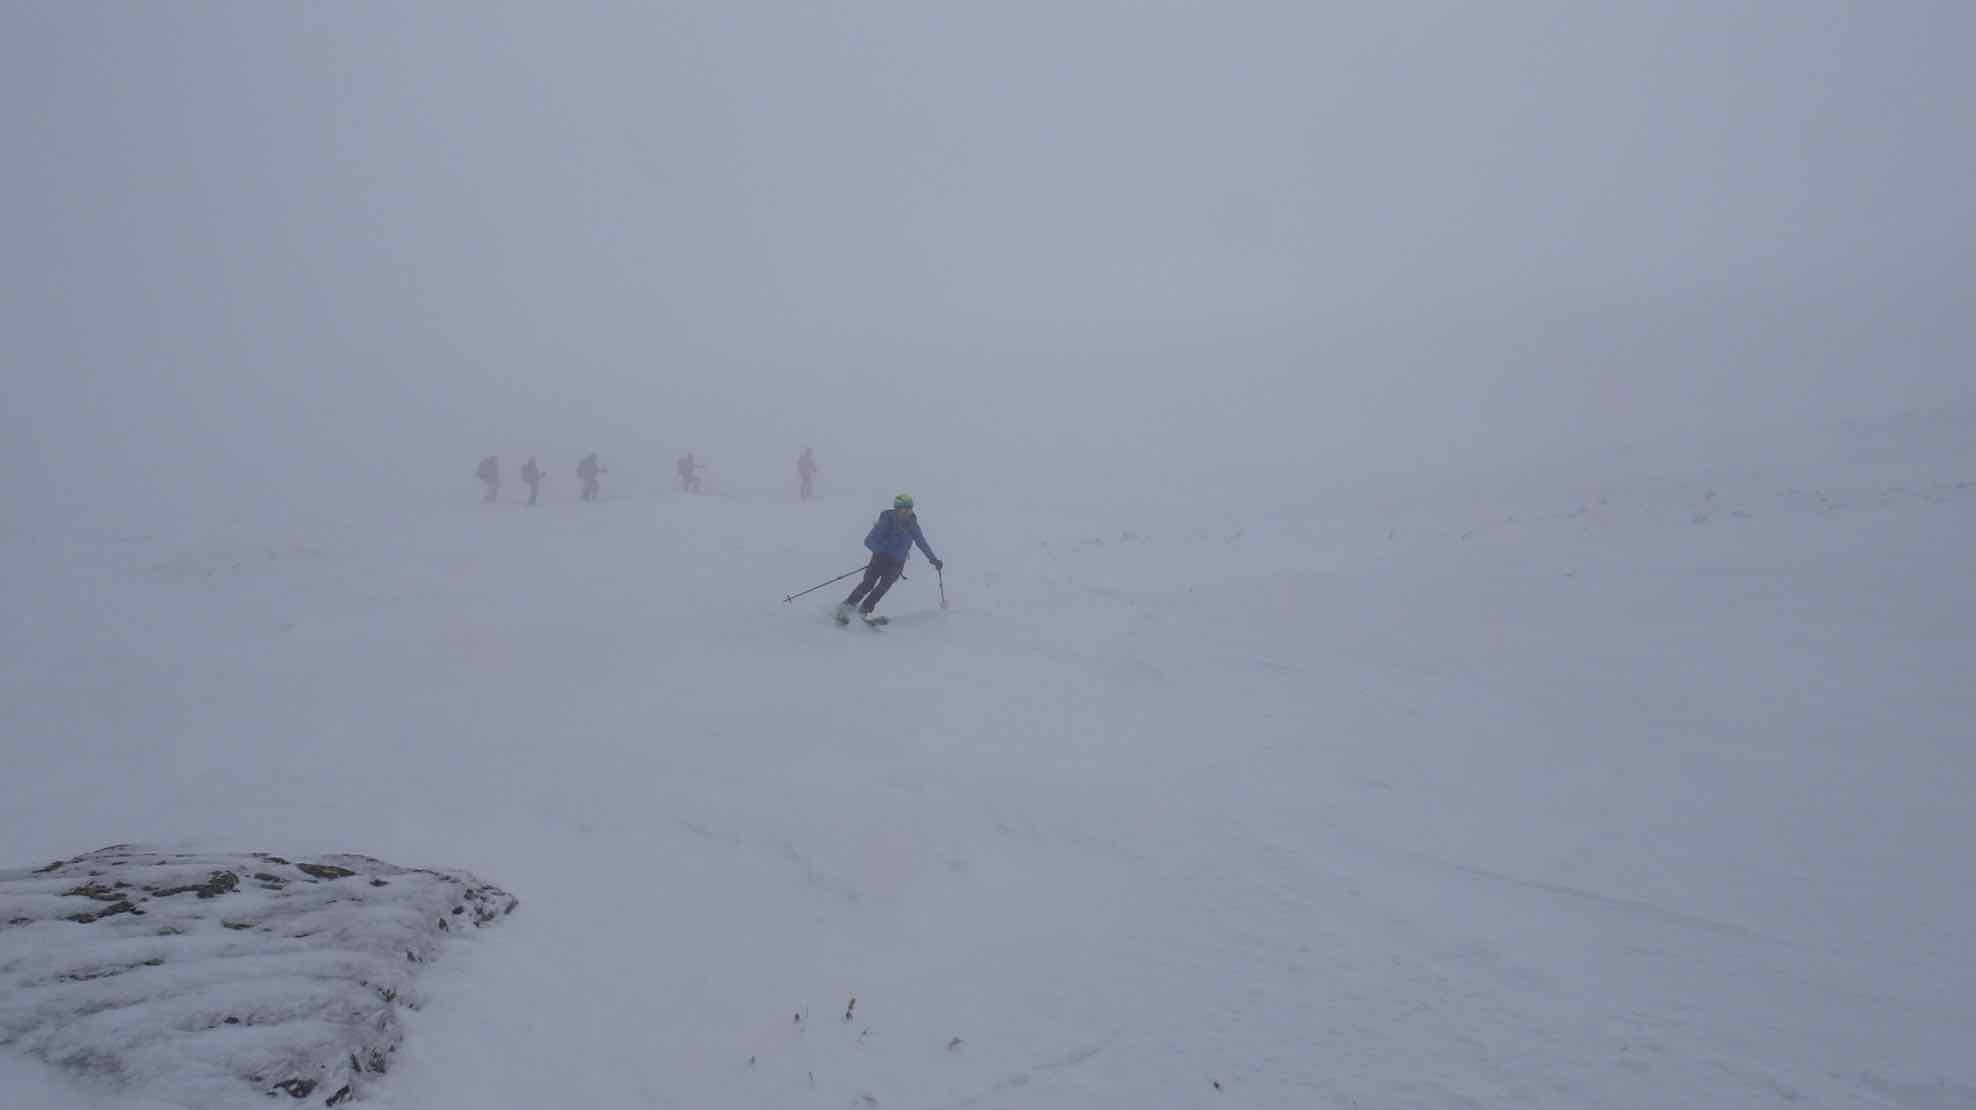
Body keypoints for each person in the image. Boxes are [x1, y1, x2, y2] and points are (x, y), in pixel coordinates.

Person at [838, 493, 943, 625]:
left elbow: (921, 542)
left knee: (883, 587)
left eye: (909, 509)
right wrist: (883, 552)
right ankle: (846, 607)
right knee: (868, 584)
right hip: (880, 559)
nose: (906, 512)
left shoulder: (912, 524)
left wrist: (933, 559)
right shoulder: (887, 520)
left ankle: (862, 612)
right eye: (903, 509)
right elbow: (869, 541)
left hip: (897, 563)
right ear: (896, 509)